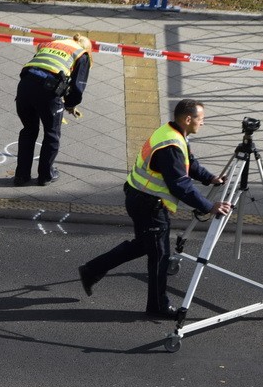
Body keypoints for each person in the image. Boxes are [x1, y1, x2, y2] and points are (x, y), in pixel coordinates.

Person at [77, 99, 231, 318]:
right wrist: (209, 206)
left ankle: (92, 270)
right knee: (159, 256)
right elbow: (180, 185)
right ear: (188, 119)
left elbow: (189, 163)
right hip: (149, 205)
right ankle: (157, 306)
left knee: (144, 245)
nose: (203, 123)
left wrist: (210, 178)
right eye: (201, 119)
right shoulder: (171, 145)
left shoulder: (171, 133)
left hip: (138, 197)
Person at [13, 34, 93, 186]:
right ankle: (45, 175)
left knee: (28, 130)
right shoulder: (82, 55)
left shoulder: (52, 44)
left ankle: (21, 175)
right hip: (48, 91)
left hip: (24, 87)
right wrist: (70, 105)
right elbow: (77, 88)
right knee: (51, 134)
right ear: (87, 48)